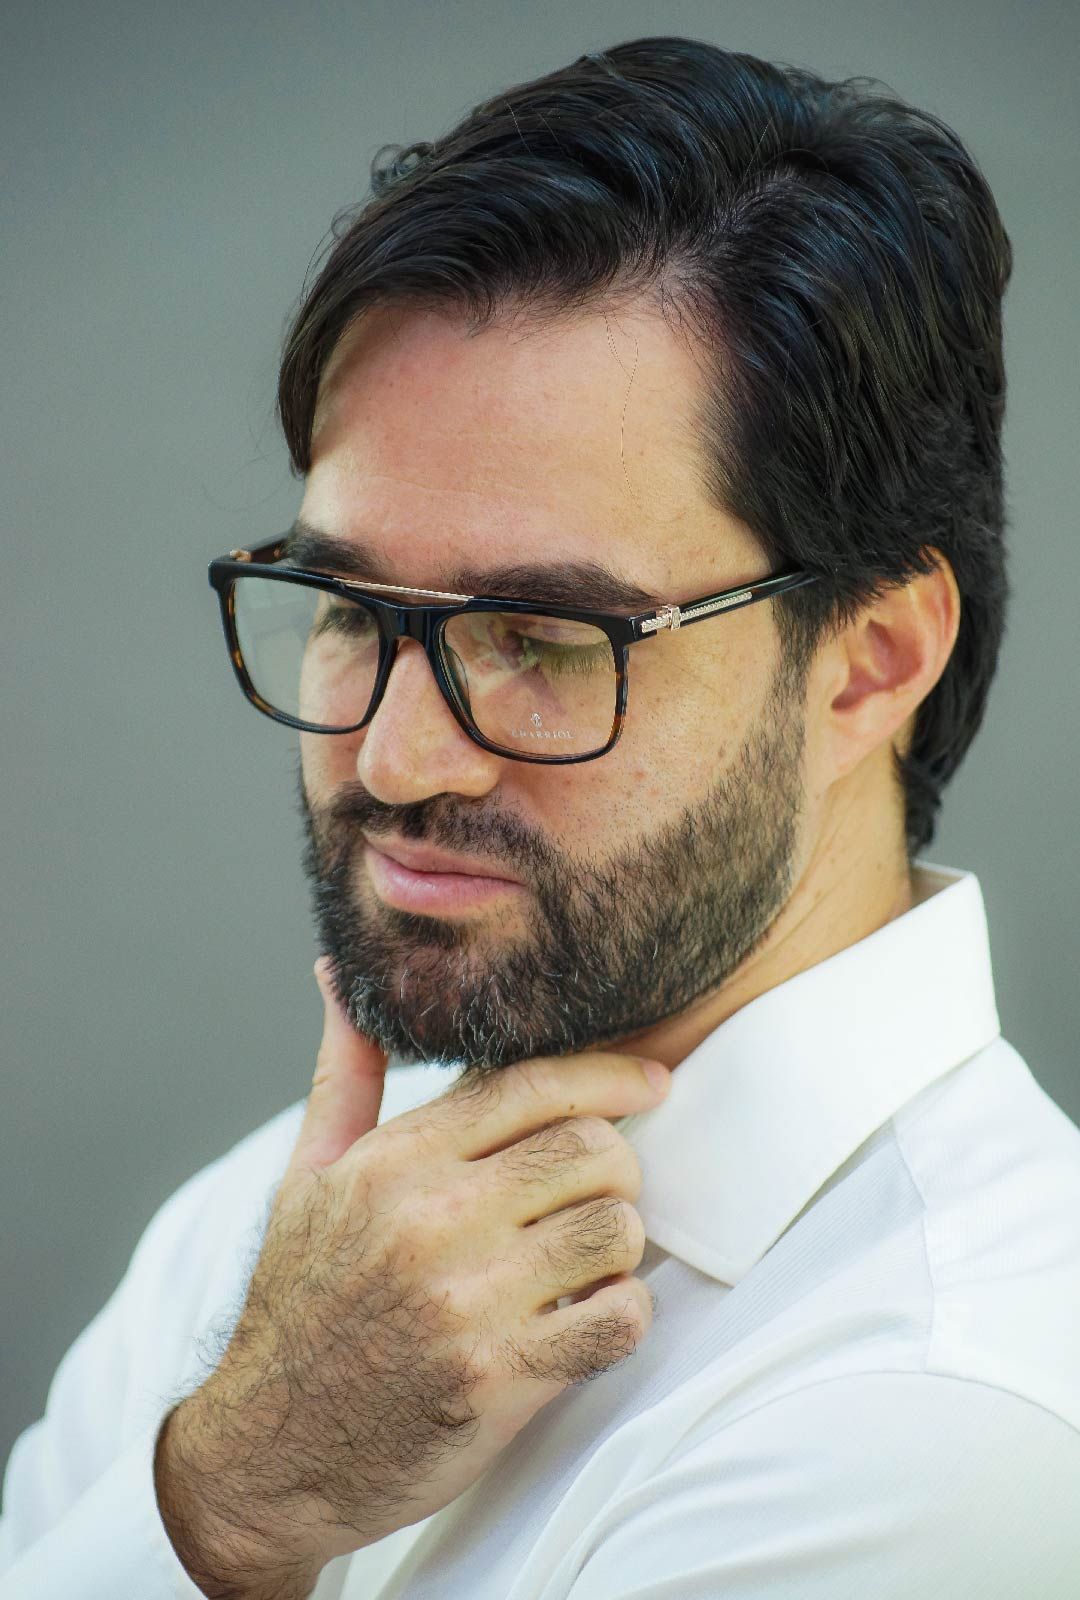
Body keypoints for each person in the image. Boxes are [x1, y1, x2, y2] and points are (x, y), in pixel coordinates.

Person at [3, 32, 1079, 1600]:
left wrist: (228, 1511)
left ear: (871, 662)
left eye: (547, 641)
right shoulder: (262, 1238)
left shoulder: (947, 1418)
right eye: (352, 608)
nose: (393, 759)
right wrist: (222, 1499)